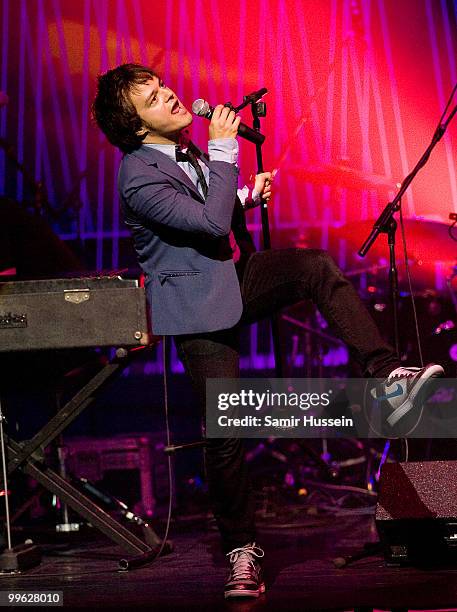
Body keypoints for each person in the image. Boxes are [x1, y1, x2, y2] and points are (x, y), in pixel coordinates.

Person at [92, 63, 443, 599]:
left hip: (231, 278)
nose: (170, 97)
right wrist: (226, 150)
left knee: (314, 267)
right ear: (136, 127)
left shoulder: (184, 151)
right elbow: (208, 224)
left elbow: (211, 207)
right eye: (154, 99)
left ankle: (388, 373)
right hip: (195, 305)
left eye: (163, 87)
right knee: (226, 433)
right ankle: (241, 548)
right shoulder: (138, 174)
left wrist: (245, 195)